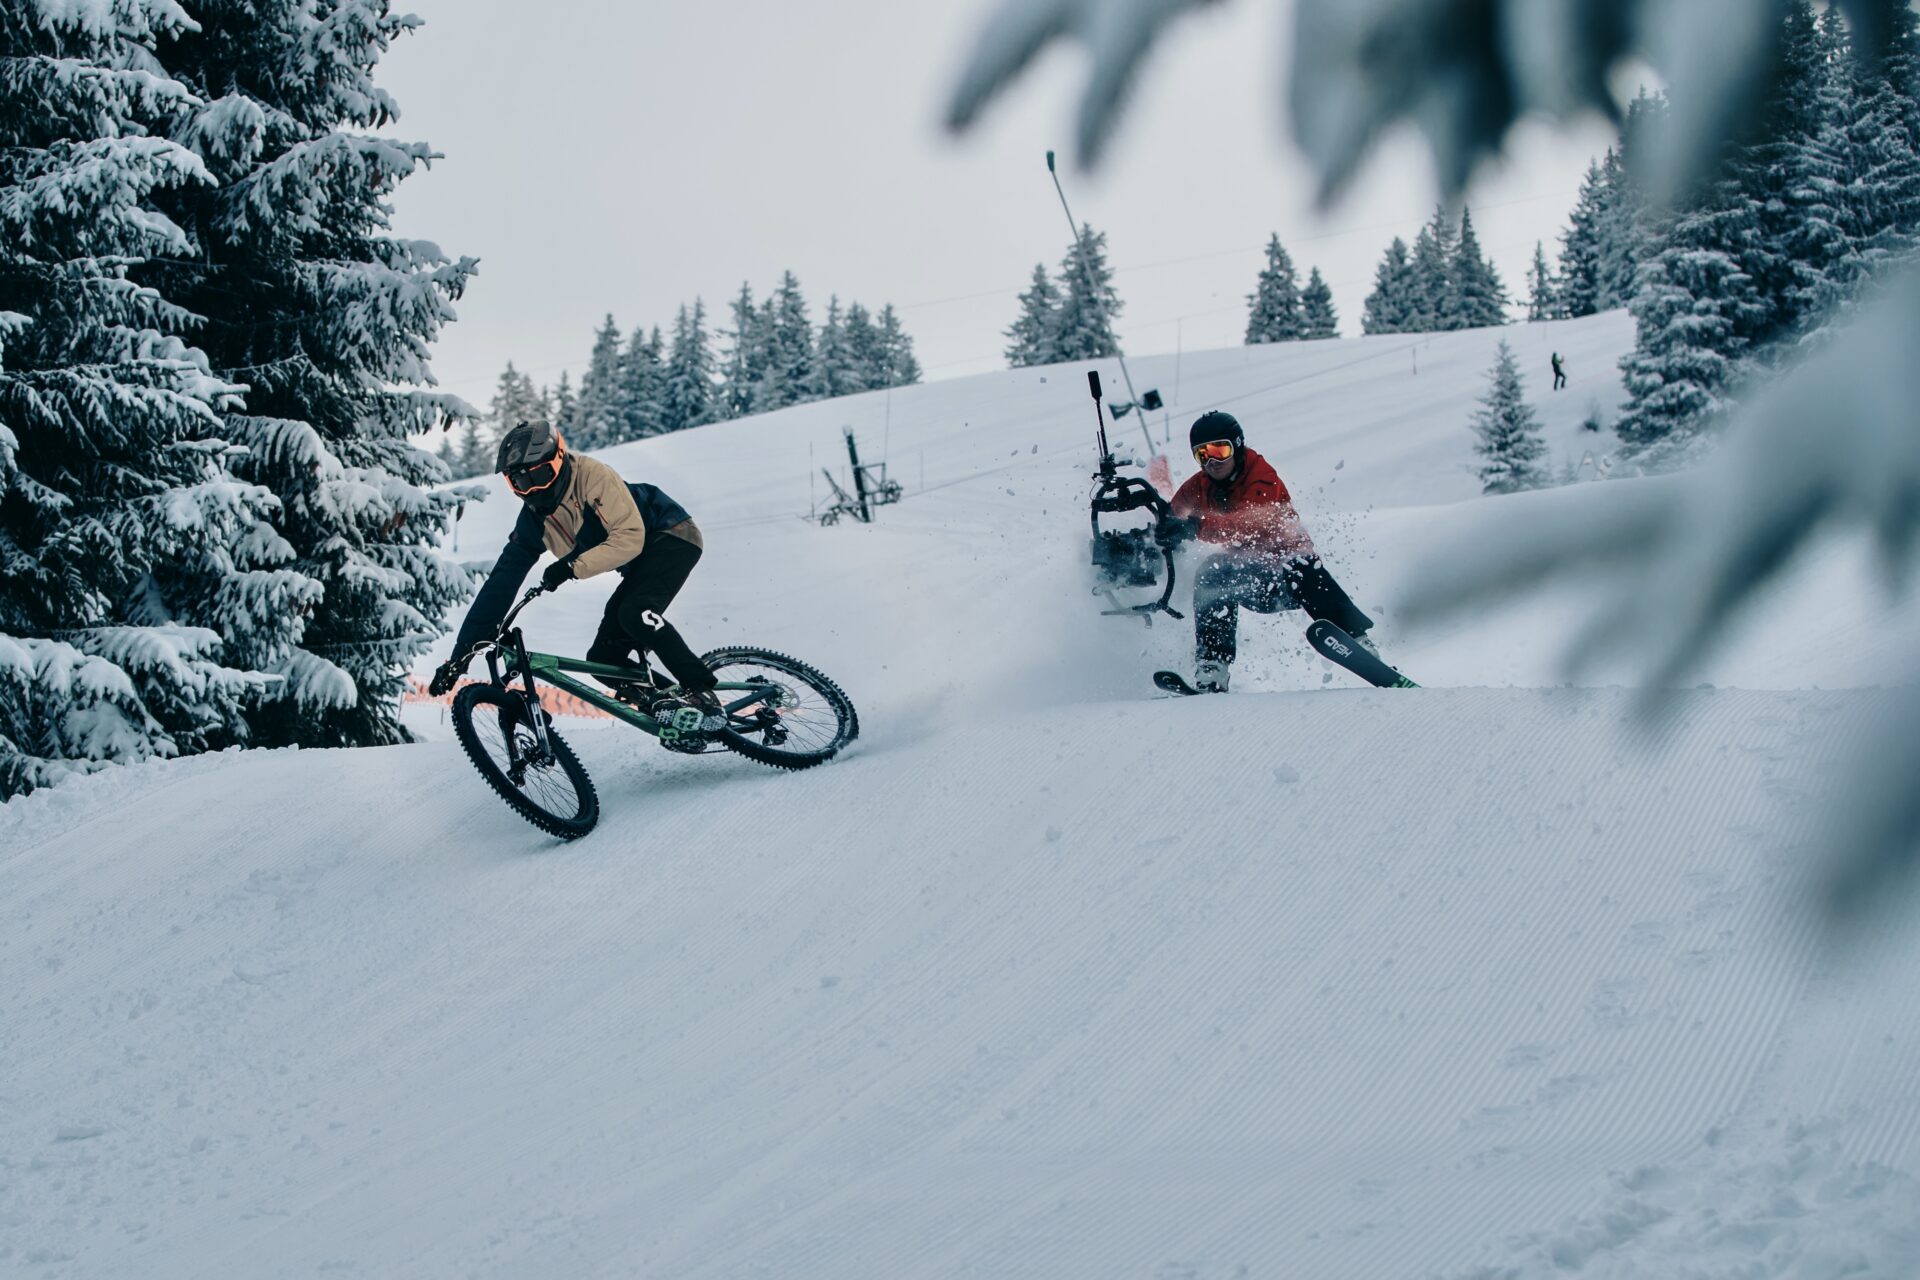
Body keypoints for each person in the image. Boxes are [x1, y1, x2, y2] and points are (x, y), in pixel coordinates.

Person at [428, 421, 718, 720]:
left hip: (671, 535)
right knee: (604, 661)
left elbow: (630, 537)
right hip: (637, 561)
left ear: (559, 458)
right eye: (520, 482)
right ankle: (676, 710)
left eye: (540, 475)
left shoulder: (592, 475)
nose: (533, 489)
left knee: (635, 612)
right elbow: (501, 582)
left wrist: (572, 566)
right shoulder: (532, 521)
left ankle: (701, 690)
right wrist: (459, 658)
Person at [1165, 410, 1375, 693]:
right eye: (1202, 454)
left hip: (1287, 581)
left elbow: (1246, 525)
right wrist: (1153, 533)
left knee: (1300, 566)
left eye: (1220, 450)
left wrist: (1194, 528)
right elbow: (1171, 515)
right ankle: (1212, 667)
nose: (1212, 461)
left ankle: (1360, 641)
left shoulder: (1262, 478)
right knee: (1211, 572)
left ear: (1237, 445)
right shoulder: (1200, 485)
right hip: (1249, 580)